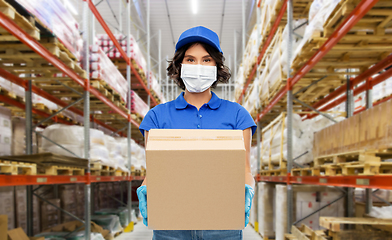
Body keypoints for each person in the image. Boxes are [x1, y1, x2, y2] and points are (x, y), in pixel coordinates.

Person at [136, 26, 257, 240]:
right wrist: (145, 189)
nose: (198, 66)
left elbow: (245, 169)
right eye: (190, 59)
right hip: (171, 226)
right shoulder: (156, 117)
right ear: (179, 65)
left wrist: (247, 189)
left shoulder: (238, 115)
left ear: (217, 65)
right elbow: (154, 171)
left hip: (223, 226)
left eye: (206, 59)